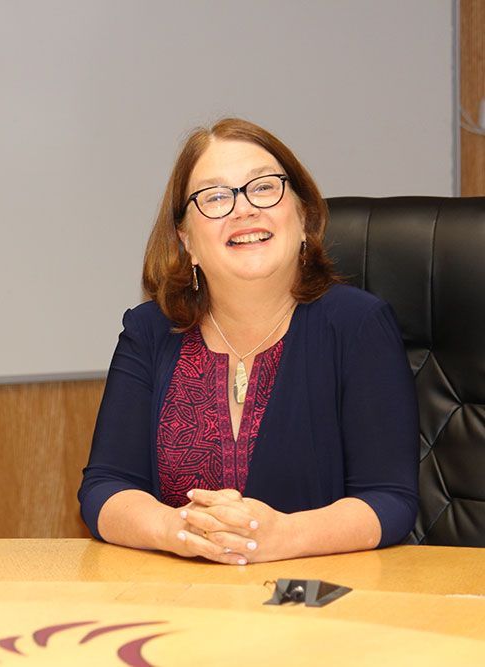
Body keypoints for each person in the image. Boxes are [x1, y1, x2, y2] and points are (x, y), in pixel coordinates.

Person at [78, 118, 418, 565]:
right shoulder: (151, 332)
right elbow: (104, 487)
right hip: (183, 603)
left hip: (320, 608)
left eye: (263, 188)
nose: (244, 210)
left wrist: (284, 535)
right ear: (186, 240)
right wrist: (178, 530)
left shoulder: (357, 326)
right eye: (215, 197)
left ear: (302, 217)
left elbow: (390, 500)